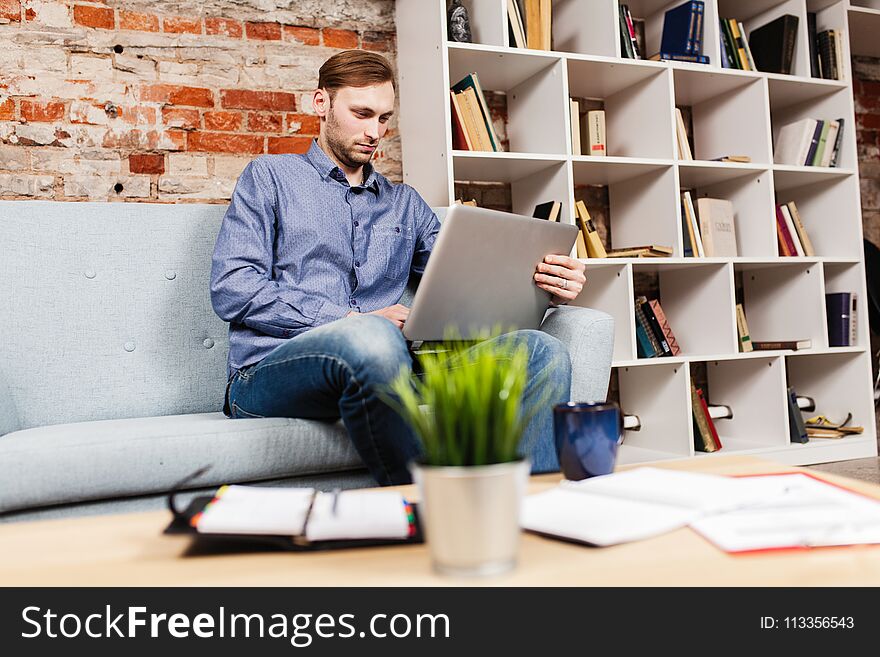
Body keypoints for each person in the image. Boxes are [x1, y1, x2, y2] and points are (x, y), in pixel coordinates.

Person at [210, 50, 587, 486]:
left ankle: (526, 514)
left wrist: (545, 281)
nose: (375, 132)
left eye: (384, 118)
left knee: (542, 352)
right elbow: (233, 288)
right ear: (321, 104)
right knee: (373, 336)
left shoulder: (404, 203)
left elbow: (468, 278)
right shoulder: (269, 178)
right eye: (361, 113)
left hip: (390, 369)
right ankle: (429, 508)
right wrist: (354, 320)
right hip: (271, 373)